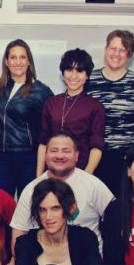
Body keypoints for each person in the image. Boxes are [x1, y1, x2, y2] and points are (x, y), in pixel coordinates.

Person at [10, 132, 113, 265]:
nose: (59, 156)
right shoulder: (31, 189)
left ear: (77, 155)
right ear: (45, 154)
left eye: (66, 151)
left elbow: (115, 221)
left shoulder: (93, 185)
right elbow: (19, 232)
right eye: (54, 150)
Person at [85, 30, 134, 195]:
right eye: (112, 48)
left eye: (122, 50)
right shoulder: (88, 81)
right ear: (105, 49)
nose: (116, 54)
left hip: (127, 161)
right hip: (94, 159)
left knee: (123, 207)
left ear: (129, 55)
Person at [0, 39, 53, 198]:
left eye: (22, 57)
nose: (18, 62)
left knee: (29, 205)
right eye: (13, 57)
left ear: (29, 61)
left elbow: (50, 128)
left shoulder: (41, 91)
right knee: (1, 205)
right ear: (6, 61)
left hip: (28, 158)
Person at [39, 48, 104, 177]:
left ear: (87, 75)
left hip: (80, 171)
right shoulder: (51, 103)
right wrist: (39, 177)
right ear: (63, 73)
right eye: (69, 70)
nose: (73, 76)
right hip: (51, 172)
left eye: (79, 71)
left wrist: (85, 177)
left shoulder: (95, 107)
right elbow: (43, 143)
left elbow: (96, 147)